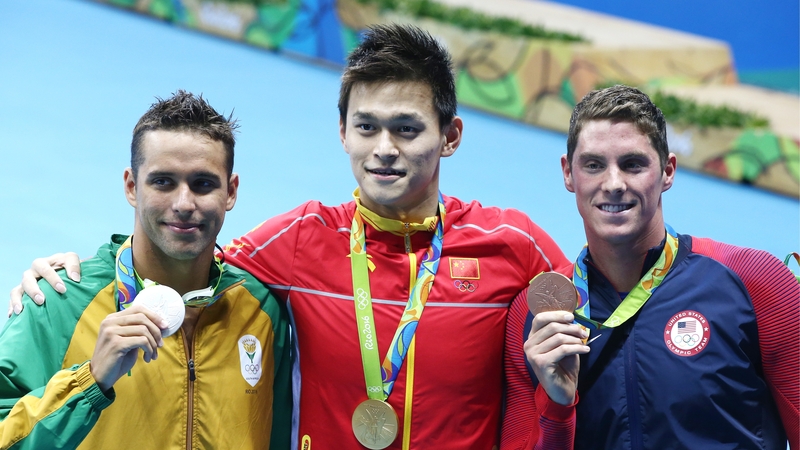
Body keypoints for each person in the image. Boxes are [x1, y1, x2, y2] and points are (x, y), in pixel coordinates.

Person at [9, 25, 570, 449]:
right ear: (342, 132)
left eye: (407, 128)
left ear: (450, 136)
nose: (384, 148)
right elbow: (187, 250)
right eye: (367, 126)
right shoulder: (299, 240)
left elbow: (604, 311)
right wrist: (74, 274)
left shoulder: (513, 243)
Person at [501, 85, 799, 449]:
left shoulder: (755, 281)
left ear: (668, 171)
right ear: (568, 174)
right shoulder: (537, 318)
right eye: (593, 165)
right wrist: (559, 407)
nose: (613, 184)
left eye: (633, 164)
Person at [0, 91, 291, 449]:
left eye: (203, 184)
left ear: (230, 192)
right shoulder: (59, 299)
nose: (184, 204)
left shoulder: (262, 311)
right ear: (132, 186)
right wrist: (89, 382)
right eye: (163, 182)